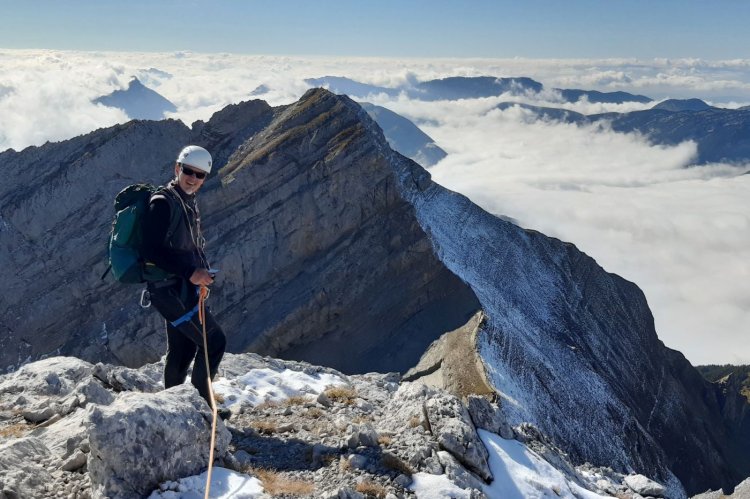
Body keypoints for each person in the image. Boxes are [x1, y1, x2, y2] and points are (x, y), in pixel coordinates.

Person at [141, 145, 228, 418]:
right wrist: (191, 274)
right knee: (213, 341)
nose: (193, 178)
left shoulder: (185, 200)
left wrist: (198, 274)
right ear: (177, 168)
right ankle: (202, 409)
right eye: (188, 171)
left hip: (178, 288)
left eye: (200, 175)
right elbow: (149, 250)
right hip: (169, 291)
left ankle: (173, 408)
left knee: (184, 346)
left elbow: (186, 246)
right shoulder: (163, 203)